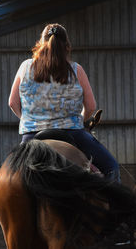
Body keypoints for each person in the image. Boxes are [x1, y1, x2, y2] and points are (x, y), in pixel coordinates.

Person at [8, 23, 120, 182]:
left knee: (10, 176)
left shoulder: (25, 67)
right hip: (72, 132)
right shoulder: (76, 69)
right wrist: (81, 120)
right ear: (67, 45)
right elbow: (91, 106)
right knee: (111, 167)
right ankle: (116, 207)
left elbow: (13, 103)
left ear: (41, 42)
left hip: (32, 135)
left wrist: (30, 121)